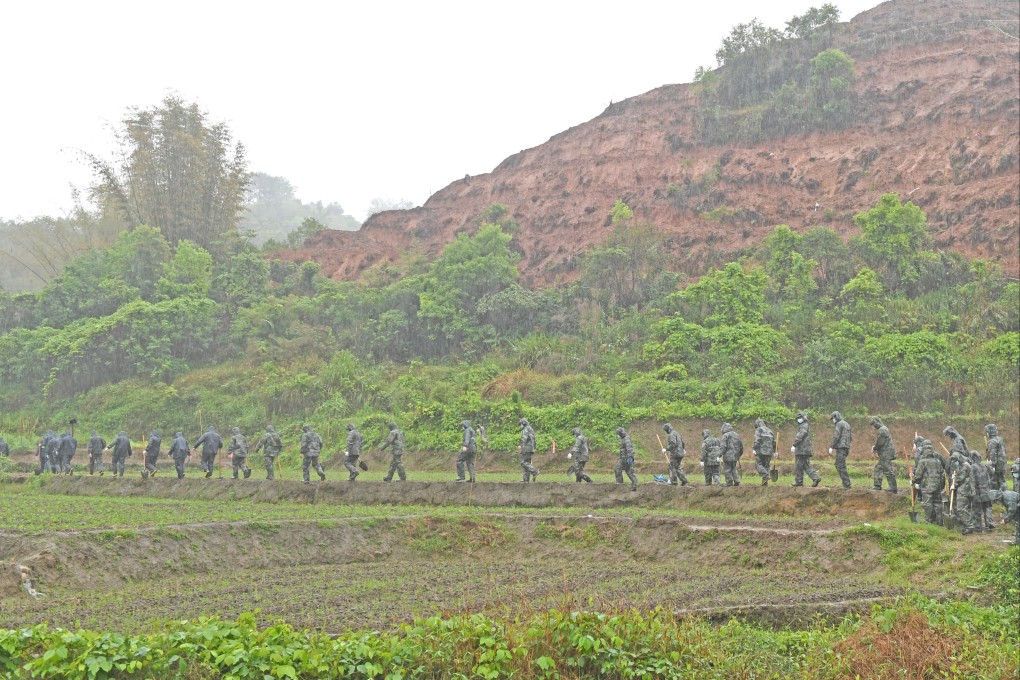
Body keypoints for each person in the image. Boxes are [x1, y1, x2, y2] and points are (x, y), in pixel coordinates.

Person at [913, 440, 946, 525]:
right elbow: (942, 474)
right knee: (938, 503)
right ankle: (940, 521)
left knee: (928, 503)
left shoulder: (922, 462)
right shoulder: (938, 461)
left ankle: (928, 520)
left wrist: (913, 481)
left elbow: (918, 476)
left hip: (927, 486)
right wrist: (941, 485)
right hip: (938, 486)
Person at [948, 450, 976, 535]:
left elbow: (961, 478)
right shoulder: (961, 466)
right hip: (966, 489)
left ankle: (969, 526)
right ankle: (968, 524)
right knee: (966, 508)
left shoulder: (965, 466)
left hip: (965, 490)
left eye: (955, 460)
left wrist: (954, 482)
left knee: (961, 508)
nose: (954, 462)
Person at [791, 412, 821, 487]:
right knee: (805, 465)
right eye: (797, 418)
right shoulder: (805, 425)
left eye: (799, 418)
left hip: (802, 449)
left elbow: (801, 435)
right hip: (805, 449)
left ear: (803, 418)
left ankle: (800, 481)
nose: (798, 419)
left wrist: (794, 445)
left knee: (799, 465)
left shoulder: (803, 426)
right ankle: (813, 478)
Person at [870, 416, 897, 493]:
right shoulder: (883, 429)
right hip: (884, 453)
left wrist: (875, 448)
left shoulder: (882, 430)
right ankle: (877, 485)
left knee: (888, 470)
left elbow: (880, 442)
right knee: (878, 468)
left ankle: (893, 488)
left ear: (877, 422)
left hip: (886, 453)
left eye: (874, 424)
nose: (874, 426)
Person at [969, 451, 994, 531]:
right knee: (987, 508)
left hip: (978, 492)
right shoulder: (985, 466)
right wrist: (990, 465)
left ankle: (977, 526)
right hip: (987, 491)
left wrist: (972, 492)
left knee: (977, 510)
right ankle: (988, 523)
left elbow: (972, 480)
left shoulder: (972, 467)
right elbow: (992, 474)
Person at [828, 411, 852, 489]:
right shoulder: (847, 424)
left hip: (841, 447)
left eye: (833, 418)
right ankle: (847, 483)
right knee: (841, 465)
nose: (833, 420)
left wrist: (831, 446)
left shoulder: (839, 424)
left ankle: (846, 484)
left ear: (836, 417)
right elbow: (850, 437)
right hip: (846, 447)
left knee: (839, 465)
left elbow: (836, 436)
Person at [752, 419, 775, 486]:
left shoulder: (759, 430)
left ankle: (765, 475)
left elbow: (757, 440)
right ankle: (765, 483)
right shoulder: (769, 430)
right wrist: (775, 451)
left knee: (758, 464)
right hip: (769, 451)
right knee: (766, 466)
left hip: (761, 451)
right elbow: (774, 442)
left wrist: (754, 448)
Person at [614, 427, 638, 491]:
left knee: (617, 468)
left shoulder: (626, 439)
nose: (618, 436)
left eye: (619, 434)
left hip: (626, 458)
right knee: (629, 471)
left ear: (621, 433)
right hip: (624, 458)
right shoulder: (624, 438)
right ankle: (634, 484)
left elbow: (629, 449)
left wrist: (630, 458)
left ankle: (620, 484)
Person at [984, 424, 1007, 491]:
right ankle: (1004, 494)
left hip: (997, 466)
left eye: (987, 431)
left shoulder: (992, 442)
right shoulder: (1000, 439)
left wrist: (991, 465)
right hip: (1003, 464)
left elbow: (992, 455)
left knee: (994, 481)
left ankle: (996, 496)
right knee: (1002, 480)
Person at [518, 418, 539, 482]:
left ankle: (535, 471)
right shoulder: (530, 428)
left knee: (523, 462)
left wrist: (521, 446)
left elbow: (524, 438)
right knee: (527, 462)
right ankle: (526, 479)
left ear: (523, 423)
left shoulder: (526, 429)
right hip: (530, 448)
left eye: (521, 424)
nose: (520, 425)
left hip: (527, 447)